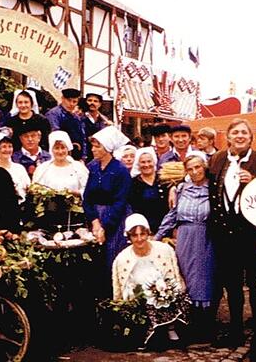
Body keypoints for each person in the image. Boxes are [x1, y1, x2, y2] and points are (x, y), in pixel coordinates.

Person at [207, 118, 256, 354]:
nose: (240, 136)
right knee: (232, 285)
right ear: (228, 136)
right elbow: (204, 182)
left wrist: (254, 182)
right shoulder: (217, 158)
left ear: (251, 137)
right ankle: (235, 331)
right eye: (235, 132)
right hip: (225, 231)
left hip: (252, 232)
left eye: (245, 132)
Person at [154, 153, 216, 343]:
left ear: (204, 167)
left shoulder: (213, 189)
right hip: (185, 238)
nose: (195, 171)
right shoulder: (181, 189)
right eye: (190, 169)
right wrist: (157, 237)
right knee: (184, 278)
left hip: (207, 238)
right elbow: (172, 215)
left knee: (204, 280)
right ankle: (185, 324)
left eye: (198, 167)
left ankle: (205, 327)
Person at [112, 213, 188, 348]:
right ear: (129, 237)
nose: (140, 239)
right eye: (134, 235)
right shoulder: (122, 258)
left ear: (148, 233)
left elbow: (174, 275)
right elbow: (119, 287)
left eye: (143, 234)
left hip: (162, 290)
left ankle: (171, 327)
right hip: (139, 295)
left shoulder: (164, 250)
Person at [84, 126, 132, 278]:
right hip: (96, 217)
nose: (93, 149)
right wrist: (95, 222)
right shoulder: (93, 167)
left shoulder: (120, 170)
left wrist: (105, 227)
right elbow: (87, 198)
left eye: (97, 146)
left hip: (115, 218)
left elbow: (120, 201)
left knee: (113, 257)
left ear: (107, 148)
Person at [31, 131, 89, 230]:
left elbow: (88, 189)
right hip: (49, 216)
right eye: (56, 148)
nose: (60, 151)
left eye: (63, 148)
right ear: (51, 150)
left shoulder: (78, 167)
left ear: (68, 148)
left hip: (75, 215)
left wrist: (76, 193)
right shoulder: (43, 169)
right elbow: (35, 190)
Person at [127, 147, 168, 232]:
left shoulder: (164, 179)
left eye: (149, 161)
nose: (146, 165)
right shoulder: (133, 183)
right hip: (144, 230)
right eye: (143, 162)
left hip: (167, 227)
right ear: (138, 164)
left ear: (154, 162)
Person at [45, 88, 87, 161]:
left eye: (74, 101)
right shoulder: (54, 114)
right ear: (62, 99)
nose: (71, 104)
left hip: (76, 156)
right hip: (59, 154)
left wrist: (83, 156)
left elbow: (82, 137)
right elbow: (56, 135)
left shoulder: (76, 117)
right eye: (69, 100)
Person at [0, 135, 31, 204]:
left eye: (10, 146)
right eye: (4, 147)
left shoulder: (19, 168)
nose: (7, 150)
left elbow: (28, 188)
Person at [82, 92, 112, 161]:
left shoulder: (104, 121)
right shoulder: (80, 118)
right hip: (84, 155)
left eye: (95, 101)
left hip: (99, 156)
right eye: (89, 100)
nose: (92, 103)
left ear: (100, 104)